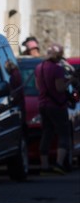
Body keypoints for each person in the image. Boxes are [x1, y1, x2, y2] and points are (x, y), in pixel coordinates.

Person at [35, 43, 71, 175]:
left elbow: (38, 87)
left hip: (42, 104)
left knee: (46, 133)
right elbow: (60, 88)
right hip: (57, 105)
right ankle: (59, 164)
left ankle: (44, 166)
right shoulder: (57, 69)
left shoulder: (39, 67)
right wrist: (70, 81)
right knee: (63, 134)